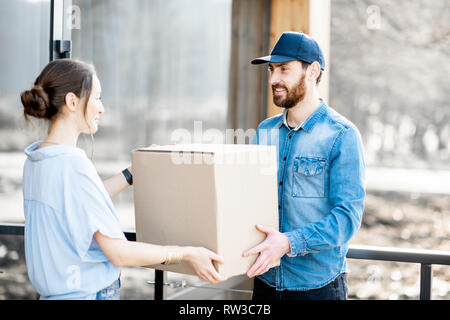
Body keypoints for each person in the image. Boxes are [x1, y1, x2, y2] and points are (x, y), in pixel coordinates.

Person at [20, 58, 226, 300]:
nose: (101, 108)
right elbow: (120, 253)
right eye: (97, 97)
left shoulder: (37, 160)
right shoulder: (74, 166)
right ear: (72, 101)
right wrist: (187, 253)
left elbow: (80, 204)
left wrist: (132, 173)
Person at [243, 31, 366, 300]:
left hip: (317, 287)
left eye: (284, 69)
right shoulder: (265, 131)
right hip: (265, 280)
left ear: (312, 71)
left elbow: (347, 218)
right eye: (272, 69)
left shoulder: (342, 135)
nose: (274, 78)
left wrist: (288, 243)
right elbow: (248, 199)